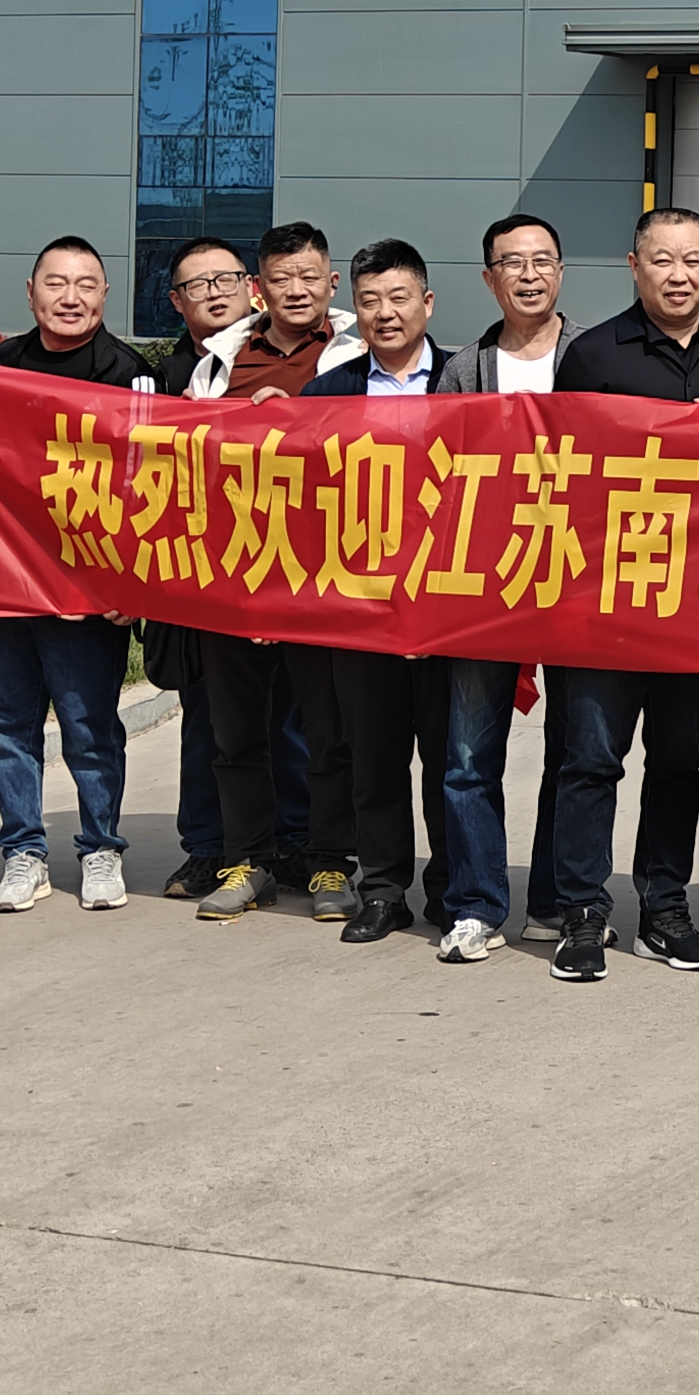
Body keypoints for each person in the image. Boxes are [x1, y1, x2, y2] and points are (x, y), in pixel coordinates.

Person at [542, 206, 699, 981]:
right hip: (606, 597)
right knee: (590, 761)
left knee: (679, 764)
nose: (679, 275)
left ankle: (665, 909)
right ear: (634, 266)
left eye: (692, 259)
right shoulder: (592, 355)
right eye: (663, 260)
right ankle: (582, 913)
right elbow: (563, 471)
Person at [293, 239, 478, 945]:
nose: (385, 313)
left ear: (427, 303)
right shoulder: (329, 392)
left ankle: (451, 886)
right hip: (361, 608)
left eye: (399, 298)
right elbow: (298, 502)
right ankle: (383, 889)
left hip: (446, 606)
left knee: (450, 761)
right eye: (369, 301)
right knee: (373, 759)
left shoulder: (465, 385)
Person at [189, 222, 364, 923]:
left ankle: (330, 861)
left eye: (309, 276)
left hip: (326, 572)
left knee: (328, 731)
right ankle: (248, 860)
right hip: (235, 570)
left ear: (331, 282)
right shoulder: (222, 359)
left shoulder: (357, 352)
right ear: (259, 288)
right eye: (282, 278)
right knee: (235, 732)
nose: (297, 290)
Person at [0, 237, 153, 914]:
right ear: (31, 293)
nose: (70, 297)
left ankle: (101, 847)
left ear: (105, 294)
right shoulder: (2, 365)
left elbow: (150, 487)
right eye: (56, 283)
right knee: (7, 725)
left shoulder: (130, 374)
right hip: (8, 581)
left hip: (89, 593)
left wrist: (130, 586)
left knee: (90, 728)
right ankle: (23, 852)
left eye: (85, 284)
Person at [146, 235, 303, 901]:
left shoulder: (312, 351)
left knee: (293, 719)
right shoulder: (164, 375)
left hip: (291, 567)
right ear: (175, 300)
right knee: (208, 720)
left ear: (252, 287)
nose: (213, 292)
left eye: (225, 279)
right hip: (203, 574)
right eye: (196, 284)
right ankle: (208, 848)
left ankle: (294, 845)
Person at [435, 213, 571, 965]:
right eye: (512, 263)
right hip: (483, 585)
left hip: (578, 581)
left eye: (542, 260)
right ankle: (477, 903)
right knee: (467, 756)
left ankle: (553, 902)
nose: (528, 274)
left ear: (561, 272)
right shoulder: (464, 368)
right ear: (489, 278)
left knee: (574, 754)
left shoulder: (594, 357)